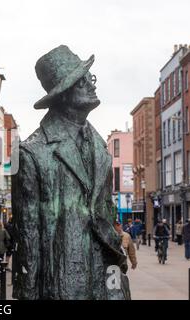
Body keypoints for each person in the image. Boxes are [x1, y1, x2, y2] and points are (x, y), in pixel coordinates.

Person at [12, 45, 129, 300]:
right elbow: (28, 239)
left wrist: (118, 284)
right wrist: (27, 293)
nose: (91, 84)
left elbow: (106, 214)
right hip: (63, 284)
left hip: (107, 279)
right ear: (63, 94)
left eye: (90, 77)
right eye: (82, 81)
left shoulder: (100, 149)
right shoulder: (32, 153)